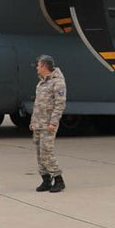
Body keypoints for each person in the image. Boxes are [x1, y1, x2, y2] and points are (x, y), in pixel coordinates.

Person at [31, 55, 67, 192]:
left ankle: (58, 179)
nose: (37, 68)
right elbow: (37, 105)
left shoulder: (58, 82)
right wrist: (33, 121)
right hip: (39, 124)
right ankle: (46, 180)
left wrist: (53, 122)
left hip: (48, 125)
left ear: (44, 66)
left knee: (47, 153)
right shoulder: (41, 83)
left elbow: (60, 104)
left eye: (38, 65)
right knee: (40, 154)